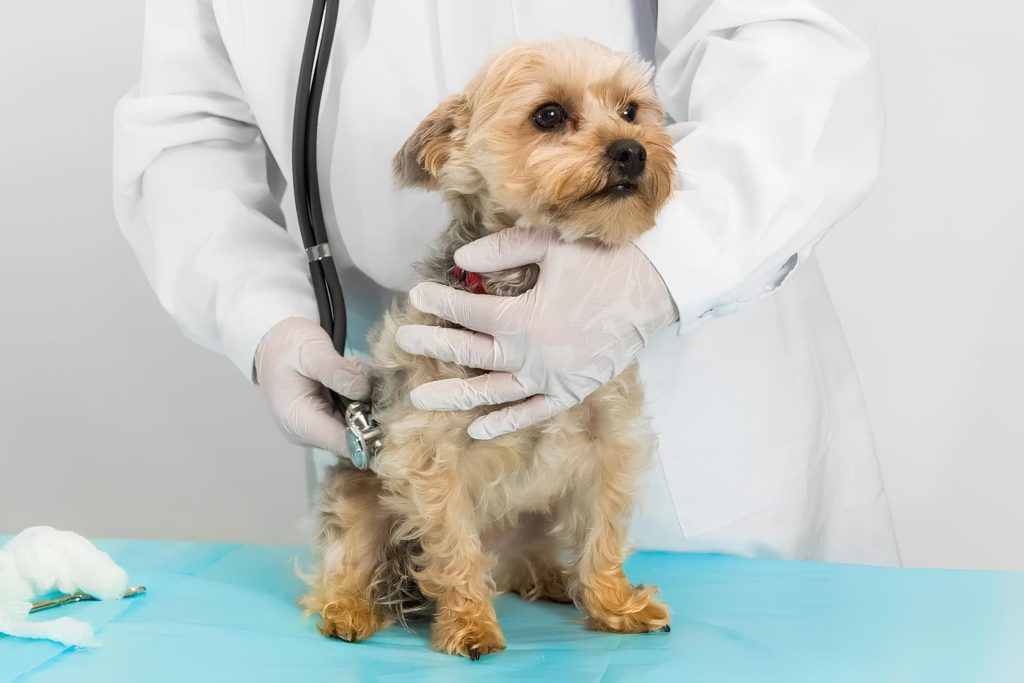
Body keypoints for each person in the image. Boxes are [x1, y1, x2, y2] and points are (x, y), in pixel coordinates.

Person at [113, 0, 900, 565]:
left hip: (682, 355)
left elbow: (796, 42)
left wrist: (656, 269)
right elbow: (190, 124)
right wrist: (261, 317)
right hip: (407, 366)